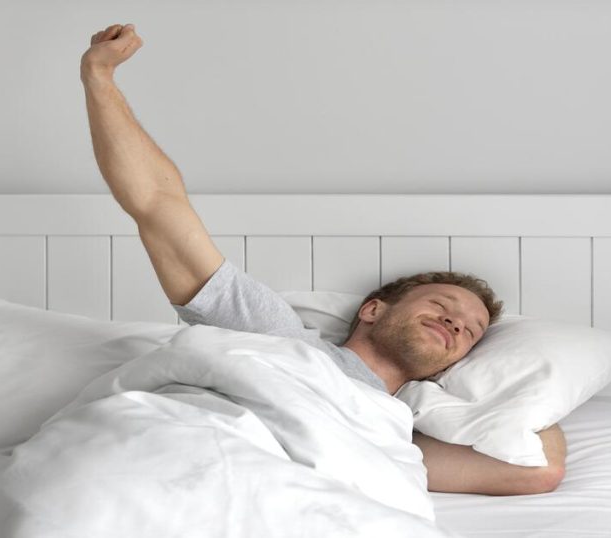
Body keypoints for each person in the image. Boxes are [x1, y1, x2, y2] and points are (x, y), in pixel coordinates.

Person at [80, 23, 565, 496]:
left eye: (472, 331)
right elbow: (158, 205)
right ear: (374, 309)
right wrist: (99, 78)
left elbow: (536, 472)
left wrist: (534, 397)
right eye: (442, 305)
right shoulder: (280, 338)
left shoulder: (398, 434)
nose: (457, 325)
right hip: (168, 457)